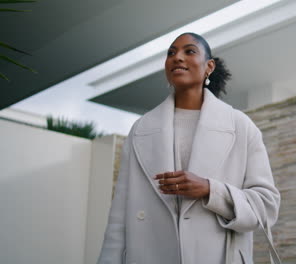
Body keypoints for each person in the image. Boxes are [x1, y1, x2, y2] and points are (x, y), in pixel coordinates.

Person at [98, 32, 280, 264]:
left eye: (189, 51)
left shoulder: (240, 126)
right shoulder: (141, 129)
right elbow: (119, 218)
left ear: (209, 66)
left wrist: (209, 190)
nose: (177, 57)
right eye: (171, 53)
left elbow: (267, 207)